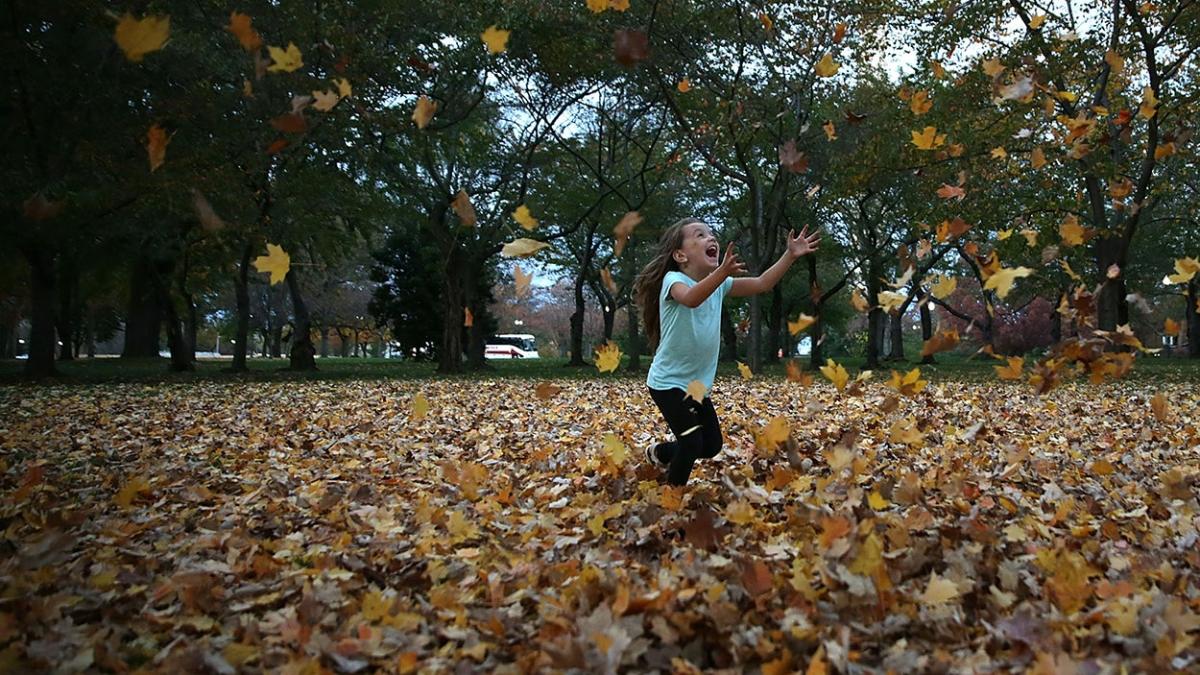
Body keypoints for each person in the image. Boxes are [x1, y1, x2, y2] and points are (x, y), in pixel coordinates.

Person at [633, 217, 820, 486]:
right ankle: (671, 503)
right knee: (690, 442)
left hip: (696, 386)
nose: (710, 238)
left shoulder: (719, 284)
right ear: (680, 255)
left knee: (710, 446)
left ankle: (661, 452)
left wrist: (790, 255)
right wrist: (721, 272)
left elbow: (762, 283)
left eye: (711, 234)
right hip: (668, 383)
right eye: (699, 235)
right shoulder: (673, 280)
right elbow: (691, 298)